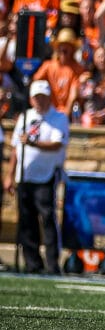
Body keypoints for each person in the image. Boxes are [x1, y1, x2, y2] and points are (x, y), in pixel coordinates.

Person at [3, 81, 69, 274]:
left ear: (49, 97)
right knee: (26, 220)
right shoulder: (25, 117)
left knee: (48, 219)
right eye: (36, 97)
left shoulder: (58, 118)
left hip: (46, 176)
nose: (39, 100)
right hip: (25, 176)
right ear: (31, 98)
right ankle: (33, 263)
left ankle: (52, 263)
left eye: (43, 96)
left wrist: (32, 143)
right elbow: (16, 147)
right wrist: (10, 174)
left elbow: (57, 143)